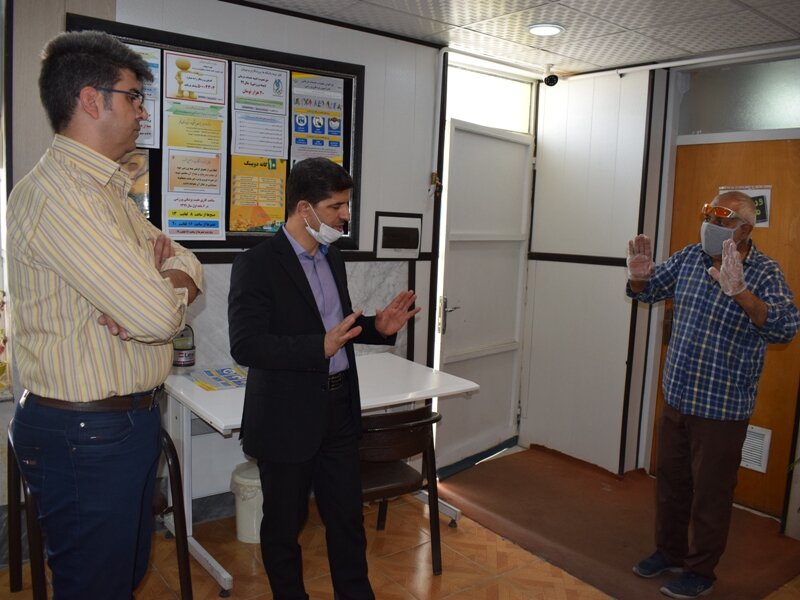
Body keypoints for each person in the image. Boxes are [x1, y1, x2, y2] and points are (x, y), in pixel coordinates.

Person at [7, 31, 204, 599]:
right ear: (91, 100)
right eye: (134, 96)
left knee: (122, 575)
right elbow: (156, 318)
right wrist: (151, 296)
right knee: (95, 587)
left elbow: (187, 263)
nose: (143, 111)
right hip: (85, 432)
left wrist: (160, 283)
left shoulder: (108, 189)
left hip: (117, 425)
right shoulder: (62, 195)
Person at [228, 157, 421, 599]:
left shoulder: (331, 257)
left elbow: (337, 328)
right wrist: (318, 347)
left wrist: (377, 328)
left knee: (347, 520)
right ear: (304, 209)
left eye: (346, 205)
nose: (345, 216)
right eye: (336, 206)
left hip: (338, 411)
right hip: (286, 417)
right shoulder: (257, 264)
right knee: (284, 527)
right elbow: (247, 345)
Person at [626, 191, 800, 599]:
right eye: (709, 215)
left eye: (722, 219)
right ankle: (669, 552)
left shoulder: (765, 272)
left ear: (745, 229)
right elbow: (648, 291)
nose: (711, 225)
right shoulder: (690, 257)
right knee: (671, 485)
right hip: (678, 397)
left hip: (722, 409)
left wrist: (741, 292)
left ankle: (700, 572)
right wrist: (639, 277)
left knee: (711, 495)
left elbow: (786, 328)